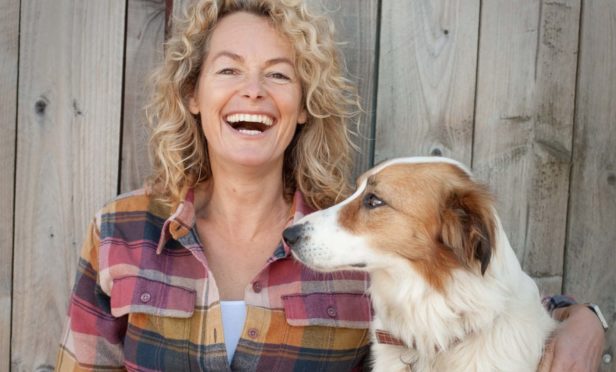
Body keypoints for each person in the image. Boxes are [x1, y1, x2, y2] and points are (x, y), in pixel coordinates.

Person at [56, 0, 605, 371]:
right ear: (193, 95)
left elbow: (486, 291)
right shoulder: (120, 232)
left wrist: (587, 320)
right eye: (228, 70)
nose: (253, 91)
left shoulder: (354, 245)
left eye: (278, 73)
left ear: (301, 107)